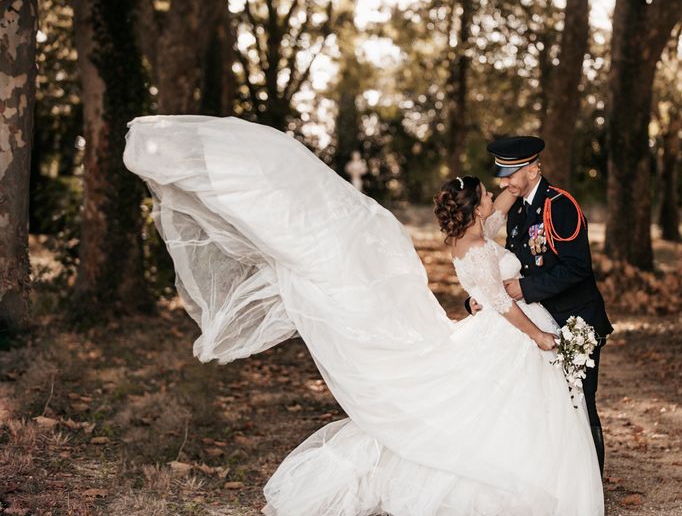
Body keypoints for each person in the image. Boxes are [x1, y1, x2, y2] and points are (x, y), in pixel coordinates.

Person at [123, 115, 603, 516]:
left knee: (538, 411)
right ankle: (536, 489)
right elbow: (498, 292)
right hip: (514, 327)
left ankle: (554, 480)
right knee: (517, 413)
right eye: (491, 186)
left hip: (521, 322)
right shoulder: (480, 239)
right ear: (475, 209)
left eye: (507, 174)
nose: (499, 186)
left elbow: (516, 236)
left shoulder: (497, 222)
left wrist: (496, 285)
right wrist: (520, 319)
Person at [464, 136, 613, 473]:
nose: (502, 182)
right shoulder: (516, 207)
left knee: (581, 403)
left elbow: (577, 268)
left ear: (532, 170)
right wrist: (484, 296)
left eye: (508, 174)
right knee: (551, 407)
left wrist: (525, 288)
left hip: (576, 322)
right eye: (501, 175)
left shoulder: (560, 206)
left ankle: (592, 482)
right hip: (542, 320)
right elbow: (508, 260)